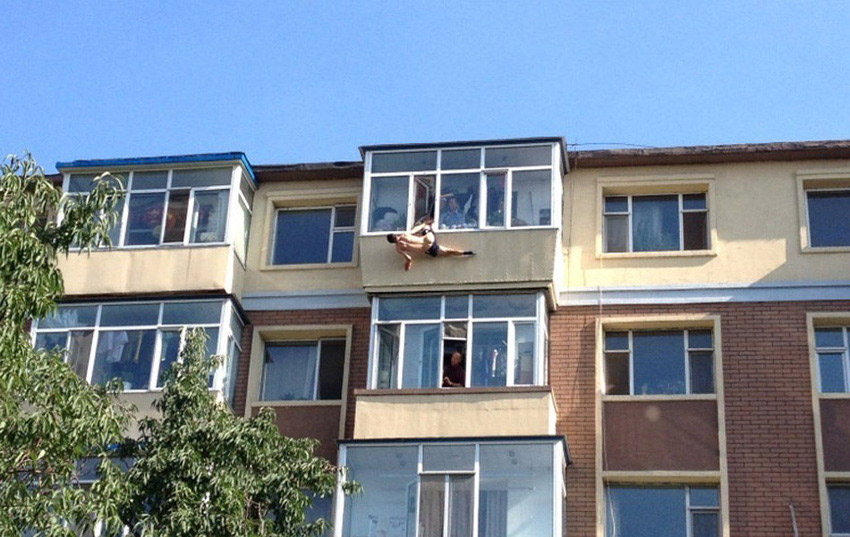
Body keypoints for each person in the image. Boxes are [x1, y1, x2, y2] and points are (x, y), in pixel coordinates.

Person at [386, 217, 474, 271]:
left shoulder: (399, 249)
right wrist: (424, 224)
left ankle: (465, 253)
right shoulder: (404, 234)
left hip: (428, 248)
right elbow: (415, 229)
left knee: (448, 251)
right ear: (396, 235)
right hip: (428, 237)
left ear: (392, 242)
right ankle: (434, 219)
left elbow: (409, 258)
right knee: (426, 227)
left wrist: (407, 264)